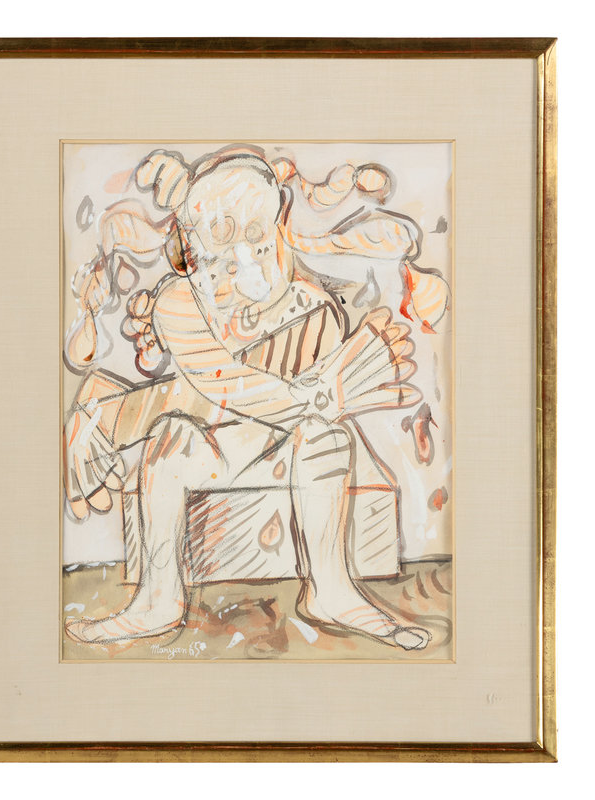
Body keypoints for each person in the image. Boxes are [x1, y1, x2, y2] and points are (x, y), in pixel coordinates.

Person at [64, 145, 435, 650]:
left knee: (325, 437)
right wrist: (106, 412)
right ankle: (157, 600)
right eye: (222, 232)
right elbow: (221, 386)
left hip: (279, 448)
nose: (243, 252)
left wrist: (108, 414)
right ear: (190, 244)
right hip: (221, 449)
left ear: (278, 223)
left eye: (257, 232)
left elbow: (289, 407)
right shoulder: (178, 302)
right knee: (172, 440)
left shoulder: (314, 306)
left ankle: (331, 591)